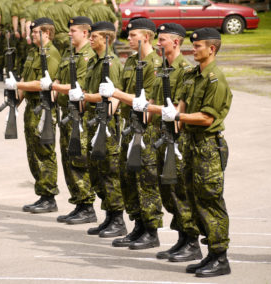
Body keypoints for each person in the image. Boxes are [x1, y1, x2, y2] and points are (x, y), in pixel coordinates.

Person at [152, 27, 232, 277]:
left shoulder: (215, 79)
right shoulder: (191, 75)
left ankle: (220, 256)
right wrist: (174, 114)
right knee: (194, 200)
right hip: (189, 143)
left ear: (212, 49)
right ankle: (207, 253)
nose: (193, 49)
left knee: (210, 201)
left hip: (208, 146)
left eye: (198, 46)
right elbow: (182, 102)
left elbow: (207, 118)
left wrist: (179, 115)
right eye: (193, 45)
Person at [132, 23, 203, 262]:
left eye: (162, 40)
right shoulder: (162, 68)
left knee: (180, 191)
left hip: (177, 139)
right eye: (158, 40)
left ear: (176, 42)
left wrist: (148, 107)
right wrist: (144, 110)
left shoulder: (184, 70)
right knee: (167, 191)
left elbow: (177, 109)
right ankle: (182, 238)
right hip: (160, 136)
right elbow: (153, 102)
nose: (158, 44)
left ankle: (191, 241)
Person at [99, 18, 163, 250]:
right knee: (128, 180)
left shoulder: (155, 64)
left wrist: (116, 93)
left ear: (146, 37)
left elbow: (144, 103)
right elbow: (124, 94)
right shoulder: (131, 61)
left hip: (145, 130)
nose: (128, 38)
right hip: (128, 126)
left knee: (146, 181)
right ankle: (138, 225)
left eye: (132, 34)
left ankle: (151, 230)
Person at [67, 21, 126, 237]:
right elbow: (91, 92)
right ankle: (109, 216)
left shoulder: (111, 64)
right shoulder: (94, 62)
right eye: (90, 36)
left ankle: (117, 218)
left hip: (106, 126)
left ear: (106, 39)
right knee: (96, 173)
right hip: (93, 123)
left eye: (95, 37)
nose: (90, 39)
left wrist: (84, 96)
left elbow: (112, 99)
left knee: (110, 173)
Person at [40, 16, 98, 225]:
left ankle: (87, 204)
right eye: (69, 30)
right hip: (65, 111)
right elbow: (60, 79)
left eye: (73, 31)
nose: (69, 34)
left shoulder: (87, 56)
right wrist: (53, 83)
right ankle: (79, 203)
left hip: (79, 114)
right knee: (67, 157)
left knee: (78, 158)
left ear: (85, 33)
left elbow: (78, 87)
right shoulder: (69, 52)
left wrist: (53, 87)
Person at [5, 18, 62, 214]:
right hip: (31, 108)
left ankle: (49, 196)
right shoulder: (33, 53)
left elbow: (43, 83)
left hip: (44, 109)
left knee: (45, 152)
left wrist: (18, 86)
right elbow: (24, 78)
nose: (32, 35)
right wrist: (15, 103)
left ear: (47, 33)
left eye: (36, 32)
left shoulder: (52, 54)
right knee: (33, 153)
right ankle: (42, 194)